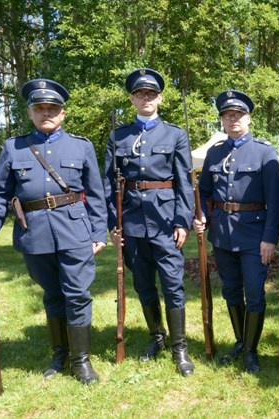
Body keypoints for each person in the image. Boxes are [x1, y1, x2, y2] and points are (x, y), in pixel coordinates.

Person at [0, 78, 107, 384]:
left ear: (63, 113)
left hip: (75, 231)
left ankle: (81, 361)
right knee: (52, 295)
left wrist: (99, 232)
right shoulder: (14, 147)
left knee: (77, 295)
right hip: (34, 234)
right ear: (30, 113)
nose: (46, 113)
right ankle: (59, 353)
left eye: (52, 108)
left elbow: (97, 192)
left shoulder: (81, 146)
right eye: (40, 108)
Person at [104, 68, 195, 377]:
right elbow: (107, 185)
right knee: (143, 284)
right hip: (131, 223)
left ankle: (179, 347)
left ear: (160, 98)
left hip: (166, 220)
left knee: (172, 284)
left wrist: (183, 220)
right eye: (141, 94)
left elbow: (184, 182)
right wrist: (113, 223)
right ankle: (157, 337)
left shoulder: (175, 135)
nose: (146, 99)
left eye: (152, 94)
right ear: (132, 98)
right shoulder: (118, 136)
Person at [195, 90, 279, 373]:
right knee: (231, 291)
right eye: (227, 115)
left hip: (254, 235)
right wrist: (202, 218)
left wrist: (270, 238)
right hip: (222, 235)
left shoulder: (263, 151)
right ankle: (239, 342)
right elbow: (205, 192)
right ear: (222, 120)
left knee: (255, 292)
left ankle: (251, 350)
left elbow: (276, 200)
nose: (232, 119)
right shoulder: (215, 152)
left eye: (238, 115)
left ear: (248, 118)